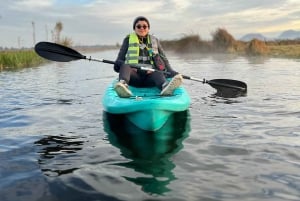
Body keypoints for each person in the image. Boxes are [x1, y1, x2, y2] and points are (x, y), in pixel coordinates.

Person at [113, 16, 183, 98]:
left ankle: (165, 87)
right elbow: (117, 66)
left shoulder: (155, 40)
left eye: (144, 26)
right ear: (134, 28)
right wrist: (119, 63)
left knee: (158, 71)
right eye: (138, 26)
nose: (141, 28)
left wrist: (172, 72)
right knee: (125, 65)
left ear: (148, 28)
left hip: (150, 77)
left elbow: (164, 59)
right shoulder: (127, 40)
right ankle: (123, 86)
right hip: (134, 78)